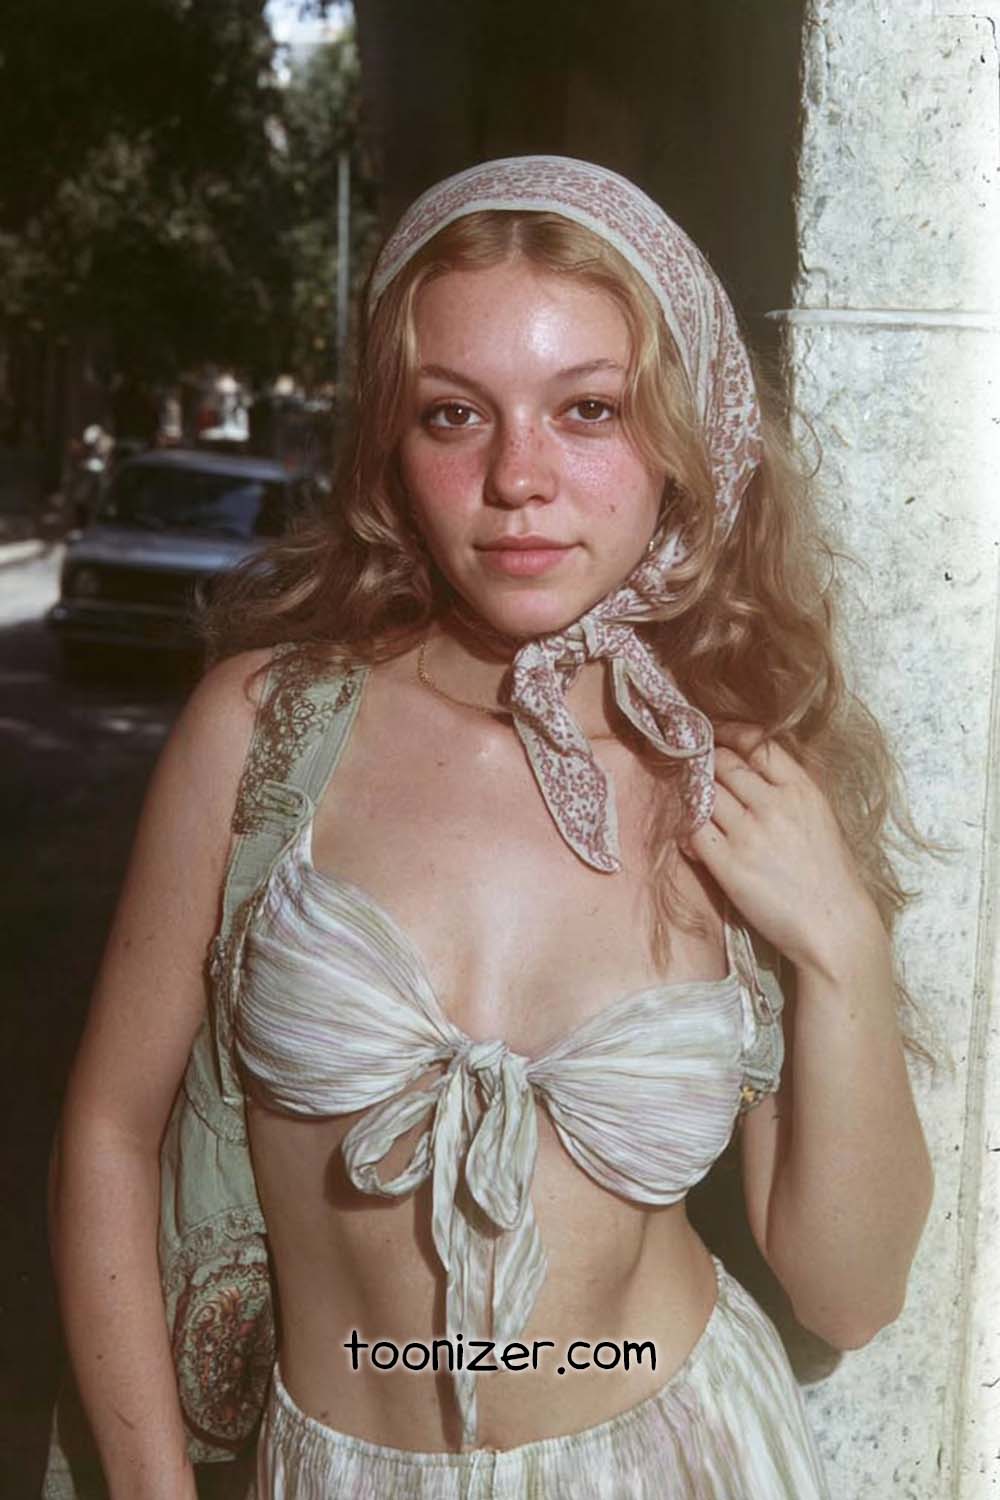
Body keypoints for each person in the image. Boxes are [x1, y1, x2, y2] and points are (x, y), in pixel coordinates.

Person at [48, 157, 933, 1500]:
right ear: (392, 447)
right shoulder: (267, 734)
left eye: (590, 410)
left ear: (683, 440)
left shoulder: (739, 778)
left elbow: (850, 1292)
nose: (521, 478)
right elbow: (110, 1133)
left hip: (684, 1461)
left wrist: (844, 948)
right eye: (456, 414)